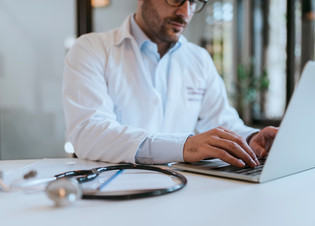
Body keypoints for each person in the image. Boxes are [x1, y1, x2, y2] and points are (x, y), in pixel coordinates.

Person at [62, 0, 278, 168]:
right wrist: (185, 146)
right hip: (114, 194)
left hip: (182, 194)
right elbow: (88, 132)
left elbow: (223, 121)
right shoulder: (90, 49)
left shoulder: (199, 59)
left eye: (193, 2)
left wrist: (251, 139)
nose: (185, 13)